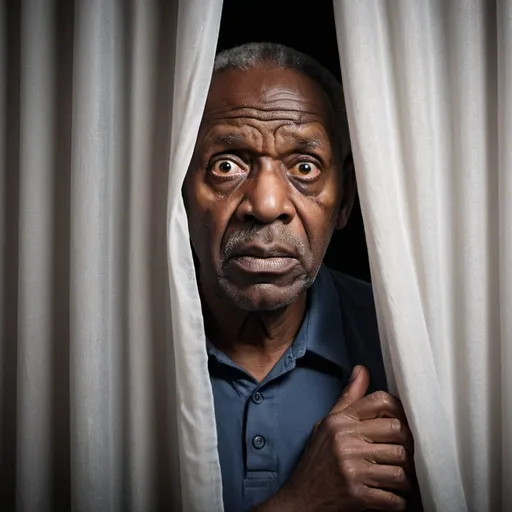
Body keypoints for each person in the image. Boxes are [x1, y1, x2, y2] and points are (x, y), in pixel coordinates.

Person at [183, 42, 420, 512]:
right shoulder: (106, 368)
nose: (267, 205)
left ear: (347, 198)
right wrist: (303, 500)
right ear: (179, 193)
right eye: (226, 164)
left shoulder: (413, 353)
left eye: (304, 167)